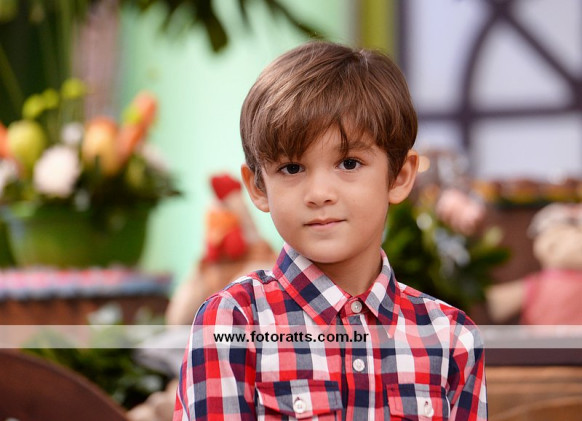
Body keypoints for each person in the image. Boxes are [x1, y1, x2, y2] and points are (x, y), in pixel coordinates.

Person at [174, 41, 486, 420]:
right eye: (292, 168)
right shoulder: (232, 323)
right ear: (258, 186)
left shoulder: (453, 339)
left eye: (349, 163)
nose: (320, 193)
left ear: (401, 176)